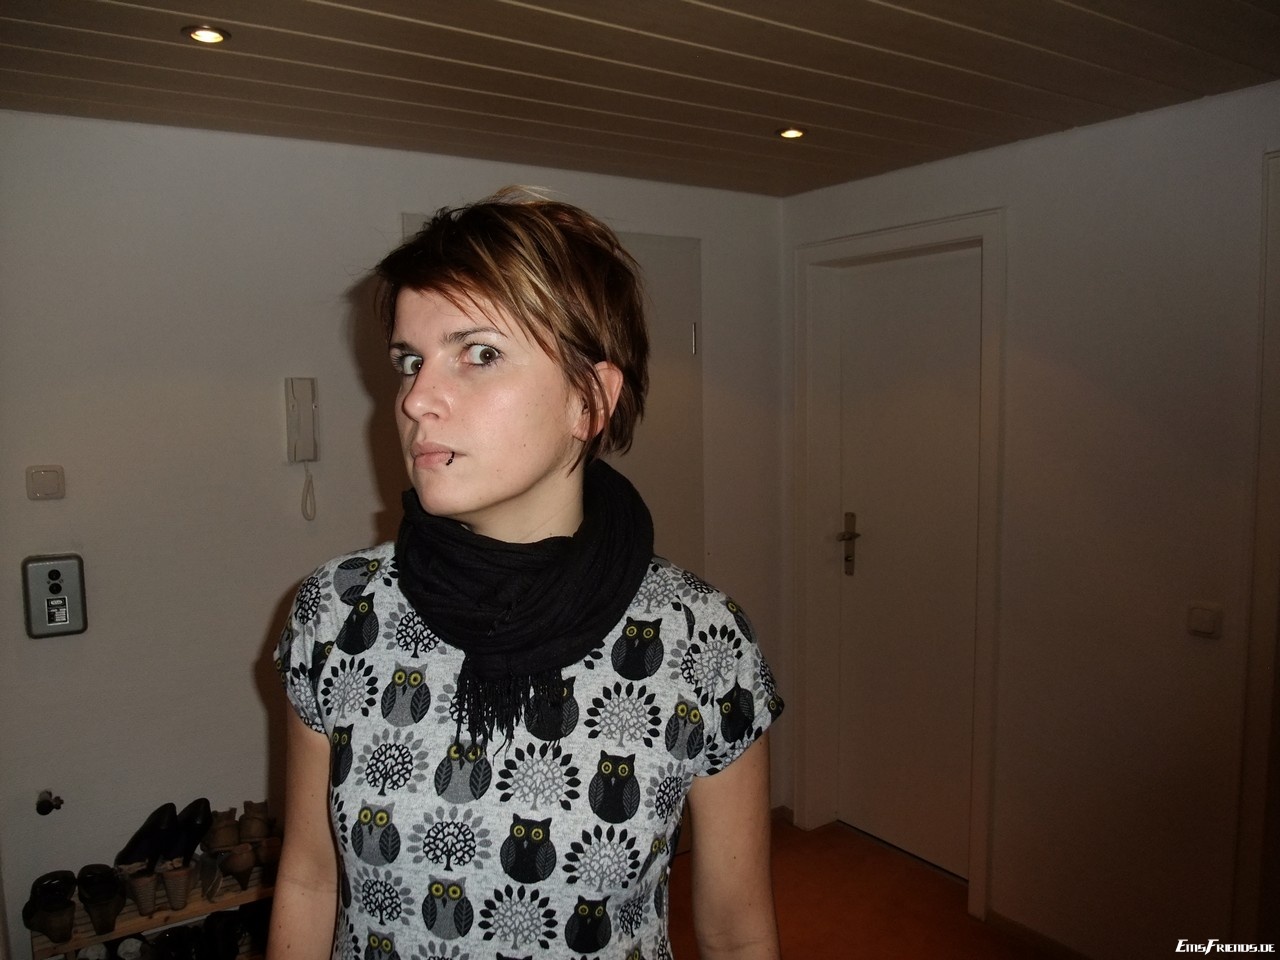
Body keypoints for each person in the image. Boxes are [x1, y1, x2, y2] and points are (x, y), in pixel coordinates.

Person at [268, 188, 784, 960]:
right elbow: (311, 881)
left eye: (478, 353)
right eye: (410, 360)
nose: (415, 399)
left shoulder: (702, 640)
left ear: (590, 400)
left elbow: (738, 934)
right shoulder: (337, 613)